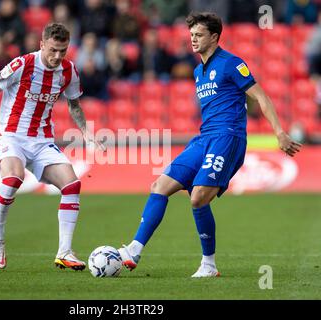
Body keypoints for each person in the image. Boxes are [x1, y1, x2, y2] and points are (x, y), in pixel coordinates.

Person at [118, 12, 302, 278]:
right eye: (191, 34)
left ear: (214, 37)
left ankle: (209, 264)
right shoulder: (197, 70)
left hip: (228, 138)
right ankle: (133, 250)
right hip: (204, 138)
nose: (193, 39)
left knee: (198, 198)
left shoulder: (232, 64)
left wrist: (279, 133)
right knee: (160, 186)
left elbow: (261, 96)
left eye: (199, 35)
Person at [0, 23, 104, 271]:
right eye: (53, 50)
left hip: (43, 140)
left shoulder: (68, 71)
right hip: (12, 136)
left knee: (72, 184)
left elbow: (74, 105)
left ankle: (65, 251)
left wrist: (87, 133)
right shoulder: (22, 64)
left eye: (63, 51)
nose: (57, 56)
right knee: (14, 178)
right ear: (42, 45)